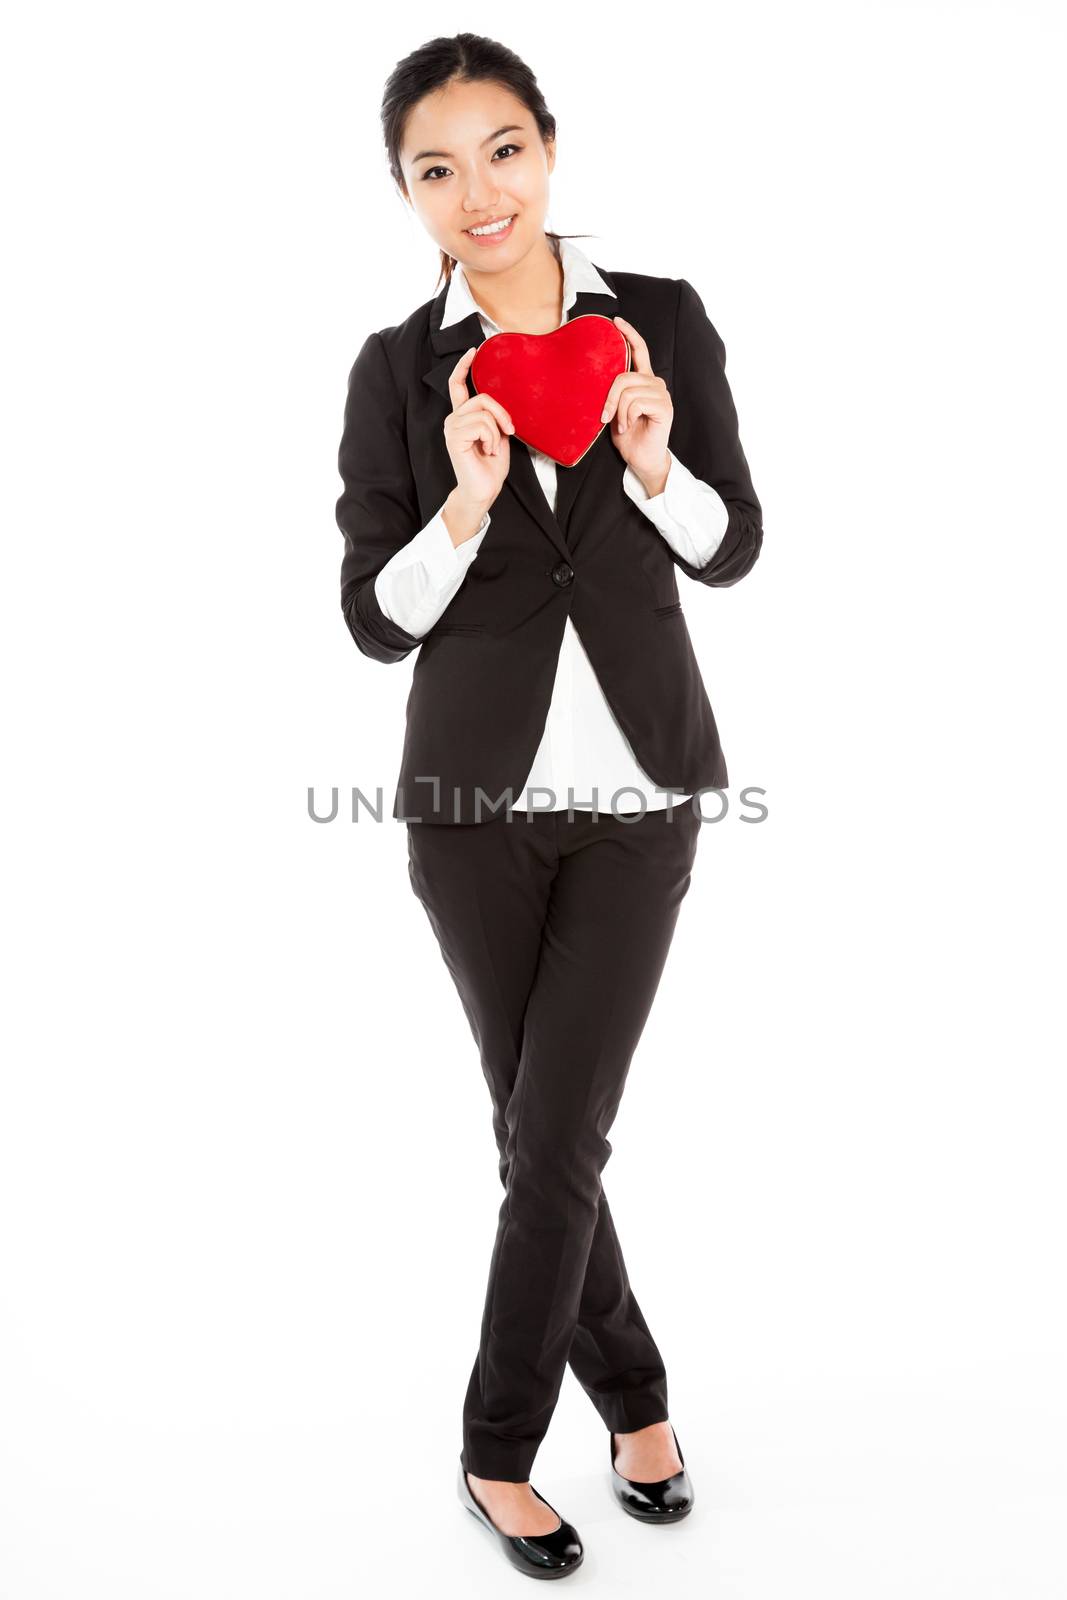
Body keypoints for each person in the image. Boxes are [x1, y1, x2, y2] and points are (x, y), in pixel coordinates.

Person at [335, 32, 763, 1580]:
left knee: (554, 1133)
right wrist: (458, 498)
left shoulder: (658, 321)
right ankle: (638, 1404)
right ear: (407, 191)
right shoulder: (396, 369)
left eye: (501, 149)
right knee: (545, 1138)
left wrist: (652, 461)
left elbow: (734, 545)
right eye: (436, 168)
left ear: (550, 148)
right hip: (469, 811)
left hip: (643, 796)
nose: (478, 191)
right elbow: (375, 617)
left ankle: (494, 1443)